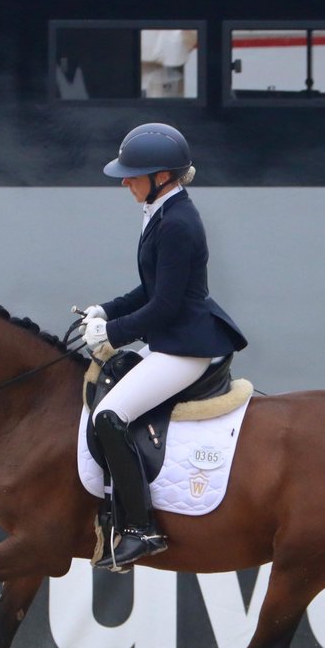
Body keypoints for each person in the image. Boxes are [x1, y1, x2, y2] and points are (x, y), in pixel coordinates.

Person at [80, 122, 247, 571]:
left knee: (110, 416)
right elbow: (148, 290)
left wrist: (113, 335)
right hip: (173, 337)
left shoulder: (177, 223)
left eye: (133, 175)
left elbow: (166, 306)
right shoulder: (161, 213)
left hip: (185, 346)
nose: (125, 182)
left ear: (162, 177)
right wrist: (105, 310)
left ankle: (140, 529)